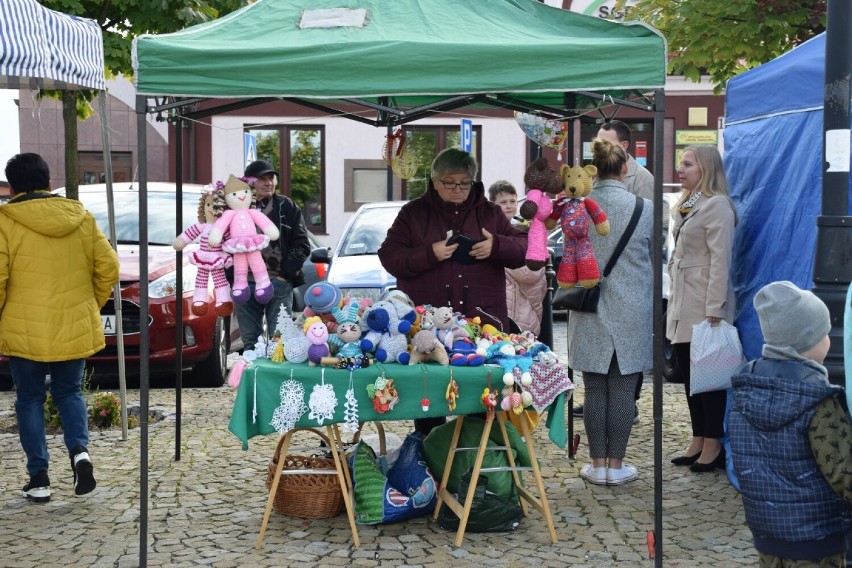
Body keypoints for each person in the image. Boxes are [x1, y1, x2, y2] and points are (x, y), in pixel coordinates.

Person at [379, 148, 528, 434]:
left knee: (479, 400)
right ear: (434, 181)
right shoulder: (413, 213)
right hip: (428, 325)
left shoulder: (490, 213)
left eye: (464, 182)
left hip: (481, 324)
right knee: (430, 398)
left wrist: (496, 245)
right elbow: (389, 257)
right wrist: (430, 253)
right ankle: (429, 462)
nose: (457, 189)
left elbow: (524, 248)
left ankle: (471, 465)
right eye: (449, 182)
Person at [0, 153, 120, 502]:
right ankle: (80, 453)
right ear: (49, 181)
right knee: (69, 393)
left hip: (24, 327)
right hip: (72, 322)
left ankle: (39, 478)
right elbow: (109, 266)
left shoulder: (5, 221)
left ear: (11, 187)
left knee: (29, 398)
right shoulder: (80, 216)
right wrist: (90, 303)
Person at [729, 281, 852, 567]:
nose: (829, 339)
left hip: (768, 536)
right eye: (825, 333)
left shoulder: (745, 390)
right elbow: (844, 472)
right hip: (818, 540)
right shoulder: (818, 399)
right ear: (808, 341)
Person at [568, 138, 653, 486]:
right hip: (631, 306)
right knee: (621, 388)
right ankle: (616, 465)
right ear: (625, 169)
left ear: (594, 169)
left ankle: (597, 463)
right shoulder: (645, 208)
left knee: (594, 388)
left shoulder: (576, 206)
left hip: (587, 302)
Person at [667, 145, 737, 473]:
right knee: (688, 372)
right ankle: (698, 438)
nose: (680, 169)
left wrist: (715, 307)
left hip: (703, 298)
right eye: (680, 162)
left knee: (709, 374)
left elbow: (721, 258)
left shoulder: (718, 205)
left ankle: (714, 443)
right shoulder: (688, 203)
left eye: (688, 164)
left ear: (705, 169)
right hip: (683, 295)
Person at [578, 119, 654, 422]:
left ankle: (598, 460)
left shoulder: (643, 180)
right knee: (606, 382)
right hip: (612, 290)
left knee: (612, 381)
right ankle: (615, 461)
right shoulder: (587, 194)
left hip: (617, 288)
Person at [234, 160, 311, 352]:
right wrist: (233, 278)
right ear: (249, 182)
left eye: (271, 178)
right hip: (245, 284)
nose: (269, 183)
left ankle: (277, 380)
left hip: (278, 282)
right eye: (262, 179)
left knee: (280, 342)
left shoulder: (287, 206)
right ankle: (254, 380)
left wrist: (285, 275)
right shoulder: (235, 207)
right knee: (251, 343)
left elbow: (301, 244)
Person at [488, 180, 547, 336]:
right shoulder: (492, 231)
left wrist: (497, 254)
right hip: (514, 309)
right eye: (503, 202)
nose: (509, 206)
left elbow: (530, 272)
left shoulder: (524, 232)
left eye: (512, 201)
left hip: (516, 311)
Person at [597, 120, 654, 200]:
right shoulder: (594, 172)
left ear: (624, 145)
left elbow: (647, 211)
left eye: (607, 144)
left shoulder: (644, 179)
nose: (600, 148)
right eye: (598, 144)